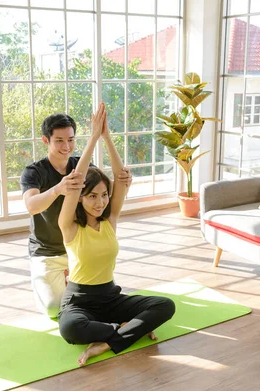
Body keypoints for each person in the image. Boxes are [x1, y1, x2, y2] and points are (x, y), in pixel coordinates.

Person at [57, 103, 176, 366]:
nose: (99, 202)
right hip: (79, 300)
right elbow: (76, 179)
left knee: (165, 305)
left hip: (110, 296)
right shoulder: (70, 226)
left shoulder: (110, 219)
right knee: (70, 329)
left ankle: (109, 340)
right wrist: (92, 138)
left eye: (103, 195)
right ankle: (125, 330)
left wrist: (107, 137)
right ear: (80, 199)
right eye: (91, 197)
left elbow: (122, 178)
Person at [20, 112, 131, 318]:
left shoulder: (85, 167)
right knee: (54, 308)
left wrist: (123, 179)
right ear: (46, 140)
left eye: (70, 140)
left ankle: (73, 284)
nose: (67, 147)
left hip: (80, 249)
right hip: (49, 252)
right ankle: (55, 282)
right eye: (59, 141)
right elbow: (31, 205)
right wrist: (57, 189)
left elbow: (110, 190)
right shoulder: (34, 171)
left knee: (90, 301)